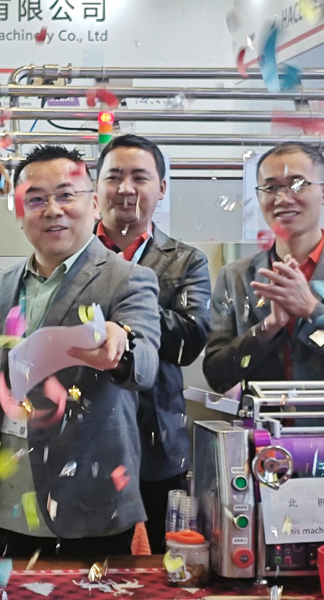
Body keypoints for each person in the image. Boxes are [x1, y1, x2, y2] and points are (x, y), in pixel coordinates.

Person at [0, 145, 161, 559]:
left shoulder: (127, 279)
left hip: (89, 509)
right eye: (36, 199)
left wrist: (121, 345)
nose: (53, 209)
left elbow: (145, 363)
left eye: (66, 195)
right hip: (5, 505)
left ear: (94, 204)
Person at [95, 135, 211, 553]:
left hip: (158, 445)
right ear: (95, 187)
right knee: (81, 568)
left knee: (160, 567)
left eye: (139, 178)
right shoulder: (71, 256)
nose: (126, 188)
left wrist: (128, 306)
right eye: (114, 177)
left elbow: (191, 339)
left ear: (161, 188)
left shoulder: (186, 261)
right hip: (83, 437)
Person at [204, 142, 324, 392]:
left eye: (297, 185)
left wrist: (312, 311)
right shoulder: (235, 277)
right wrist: (267, 329)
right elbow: (218, 377)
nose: (283, 198)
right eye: (270, 188)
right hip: (262, 417)